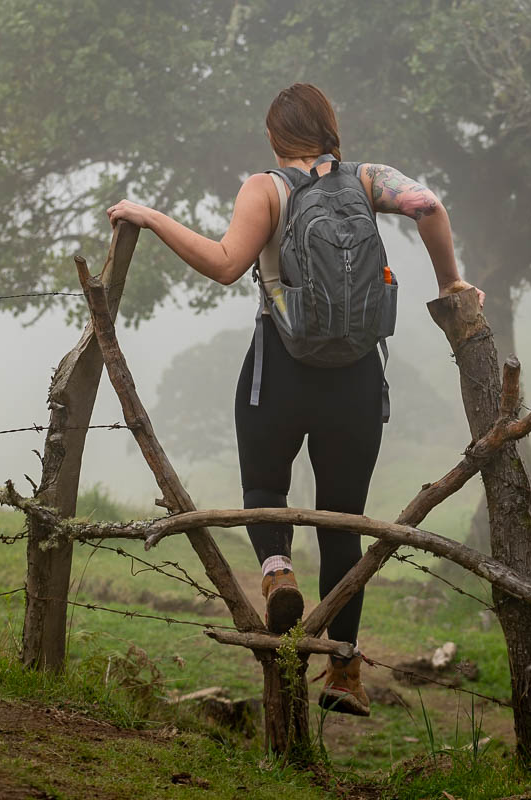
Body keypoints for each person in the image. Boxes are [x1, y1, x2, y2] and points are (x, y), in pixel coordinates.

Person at [106, 83, 483, 717]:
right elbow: (429, 205)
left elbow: (228, 264)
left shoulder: (267, 188)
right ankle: (344, 668)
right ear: (330, 128)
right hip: (358, 376)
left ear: (275, 136)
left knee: (263, 487)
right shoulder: (368, 181)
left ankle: (278, 571)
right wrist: (451, 281)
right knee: (344, 520)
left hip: (279, 369)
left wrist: (150, 215)